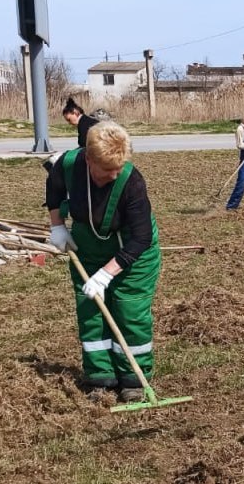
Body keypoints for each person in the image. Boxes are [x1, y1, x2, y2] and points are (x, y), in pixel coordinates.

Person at [46, 121, 161, 403]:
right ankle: (100, 375)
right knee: (91, 309)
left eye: (117, 170)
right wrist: (57, 225)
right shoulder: (69, 164)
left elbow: (141, 238)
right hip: (88, 244)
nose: (112, 175)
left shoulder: (132, 182)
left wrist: (106, 274)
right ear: (88, 159)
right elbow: (54, 188)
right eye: (105, 171)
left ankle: (133, 378)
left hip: (132, 251)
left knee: (128, 309)